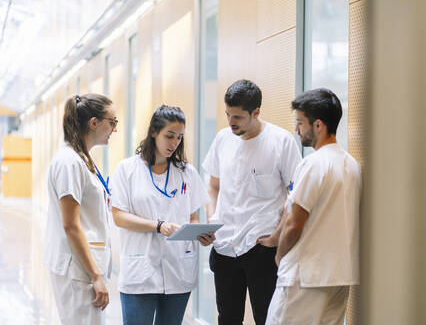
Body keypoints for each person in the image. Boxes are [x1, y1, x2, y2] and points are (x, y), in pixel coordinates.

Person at [202, 79, 302, 324]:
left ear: (256, 112)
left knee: (266, 319)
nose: (230, 122)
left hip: (261, 248)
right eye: (227, 114)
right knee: (227, 318)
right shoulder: (222, 139)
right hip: (225, 246)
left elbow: (296, 195)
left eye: (237, 117)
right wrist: (212, 219)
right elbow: (213, 186)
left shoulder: (281, 141)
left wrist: (276, 238)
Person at [265, 88, 362, 325]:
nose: (297, 129)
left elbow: (294, 224)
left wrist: (279, 256)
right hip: (339, 275)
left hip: (305, 277)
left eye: (300, 122)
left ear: (318, 125)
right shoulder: (352, 165)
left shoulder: (314, 164)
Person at [110, 105, 214, 325]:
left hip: (178, 268)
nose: (174, 143)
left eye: (179, 137)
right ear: (154, 132)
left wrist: (199, 233)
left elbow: (192, 217)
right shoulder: (127, 170)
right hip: (140, 270)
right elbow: (119, 216)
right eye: (169, 136)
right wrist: (158, 226)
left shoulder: (187, 172)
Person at [44, 94, 117, 325]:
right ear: (94, 122)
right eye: (112, 122)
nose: (114, 129)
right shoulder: (69, 163)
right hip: (79, 271)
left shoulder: (82, 159)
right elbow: (71, 225)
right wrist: (95, 276)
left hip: (84, 267)